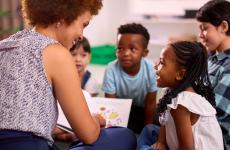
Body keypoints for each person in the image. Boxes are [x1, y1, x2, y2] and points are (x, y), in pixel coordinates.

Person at [0, 0, 136, 150]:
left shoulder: (4, 46)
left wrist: (55, 130)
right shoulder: (56, 52)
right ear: (63, 17)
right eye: (83, 25)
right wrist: (96, 120)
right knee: (123, 135)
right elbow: (89, 135)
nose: (81, 36)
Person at [137, 41, 224, 150]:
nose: (155, 66)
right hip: (178, 143)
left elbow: (187, 148)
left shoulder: (182, 104)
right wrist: (161, 142)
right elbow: (166, 120)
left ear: (180, 74)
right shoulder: (171, 91)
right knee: (149, 130)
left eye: (162, 63)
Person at [102, 23, 158, 134]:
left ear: (144, 53)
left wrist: (147, 129)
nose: (125, 53)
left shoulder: (151, 69)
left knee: (160, 122)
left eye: (132, 49)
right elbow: (110, 103)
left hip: (142, 110)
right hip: (119, 110)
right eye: (120, 48)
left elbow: (151, 103)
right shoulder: (111, 68)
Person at [196, 0, 230, 149]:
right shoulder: (211, 57)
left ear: (223, 27)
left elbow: (217, 114)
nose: (200, 35)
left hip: (214, 138)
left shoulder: (228, 65)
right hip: (197, 126)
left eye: (204, 28)